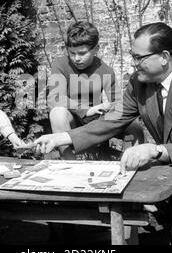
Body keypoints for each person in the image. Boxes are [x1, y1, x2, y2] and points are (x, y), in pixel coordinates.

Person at [34, 22, 172, 245]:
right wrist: (63, 137)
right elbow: (113, 119)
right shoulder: (139, 83)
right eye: (133, 57)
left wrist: (154, 150)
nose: (134, 64)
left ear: (164, 56)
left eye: (139, 57)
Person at [47, 21, 122, 159]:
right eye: (72, 53)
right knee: (57, 113)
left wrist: (107, 108)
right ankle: (71, 164)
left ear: (96, 49)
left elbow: (119, 103)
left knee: (135, 127)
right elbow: (55, 98)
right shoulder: (60, 64)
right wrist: (86, 110)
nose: (76, 58)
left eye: (82, 53)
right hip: (71, 119)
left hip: (95, 121)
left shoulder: (105, 70)